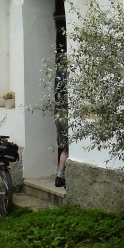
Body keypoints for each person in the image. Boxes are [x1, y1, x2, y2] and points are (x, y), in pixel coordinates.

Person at [54, 59, 68, 188]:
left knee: (64, 147)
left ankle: (59, 176)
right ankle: (65, 177)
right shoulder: (69, 75)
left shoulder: (57, 76)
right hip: (67, 115)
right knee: (70, 148)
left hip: (58, 114)